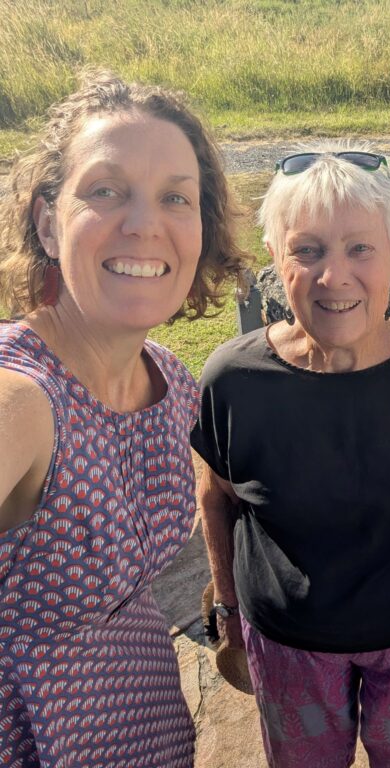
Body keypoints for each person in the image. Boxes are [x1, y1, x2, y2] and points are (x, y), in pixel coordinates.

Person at [191, 145, 390, 768]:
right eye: (307, 250)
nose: (334, 277)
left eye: (360, 248)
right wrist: (227, 608)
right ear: (276, 261)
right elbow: (216, 493)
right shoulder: (234, 379)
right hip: (289, 645)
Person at [0, 69, 248, 767]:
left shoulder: (170, 379)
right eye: (105, 190)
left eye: (175, 197)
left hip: (153, 728)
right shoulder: (22, 395)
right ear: (48, 221)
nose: (144, 224)